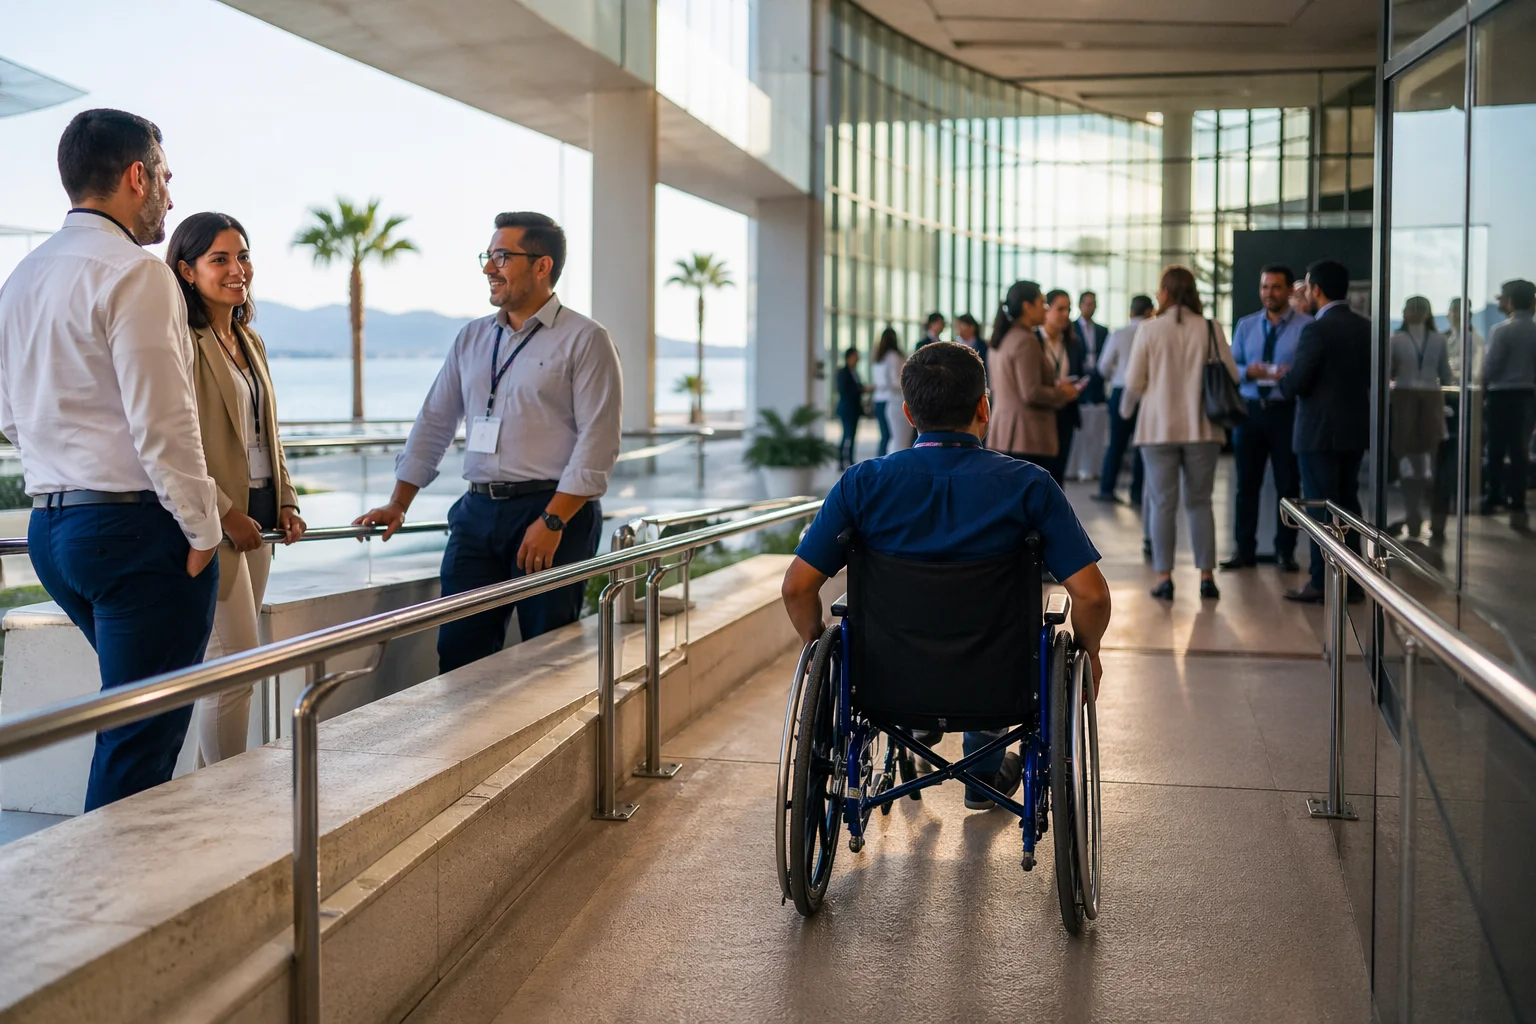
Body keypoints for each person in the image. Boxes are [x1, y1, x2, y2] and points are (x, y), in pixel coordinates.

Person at [779, 341, 1111, 810]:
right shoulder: (1029, 485)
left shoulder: (862, 483)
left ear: (909, 414)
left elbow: (797, 586)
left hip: (883, 683)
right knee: (1001, 641)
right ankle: (983, 770)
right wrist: (1090, 652)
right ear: (984, 406)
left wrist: (817, 650)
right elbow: (1092, 598)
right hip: (1002, 684)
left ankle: (919, 726)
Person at [0, 109, 221, 809]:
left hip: (52, 535)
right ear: (137, 176)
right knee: (140, 740)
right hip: (135, 539)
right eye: (165, 177)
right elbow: (165, 424)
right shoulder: (138, 274)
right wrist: (204, 527)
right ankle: (113, 913)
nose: (170, 197)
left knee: (129, 721)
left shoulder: (23, 276)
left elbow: (8, 416)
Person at [355, 211, 621, 671]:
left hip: (552, 514)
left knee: (547, 658)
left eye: (502, 256)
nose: (488, 268)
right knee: (458, 653)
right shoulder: (473, 337)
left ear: (542, 266)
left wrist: (553, 522)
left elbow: (598, 440)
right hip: (476, 515)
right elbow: (434, 421)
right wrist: (400, 501)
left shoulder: (585, 339)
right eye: (488, 255)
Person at [168, 212, 307, 765]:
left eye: (242, 256)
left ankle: (215, 795)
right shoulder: (182, 338)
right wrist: (225, 512)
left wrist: (288, 500)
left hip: (260, 519)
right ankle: (225, 802)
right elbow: (178, 439)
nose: (236, 269)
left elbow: (268, 435)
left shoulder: (251, 342)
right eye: (219, 259)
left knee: (237, 668)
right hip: (216, 519)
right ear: (186, 269)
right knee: (236, 667)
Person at [1121, 265, 1239, 601]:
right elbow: (1232, 374)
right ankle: (1206, 577)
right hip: (1203, 427)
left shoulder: (1149, 329)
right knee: (1200, 503)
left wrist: (1126, 411)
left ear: (1167, 292)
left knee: (1162, 504)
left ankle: (1164, 578)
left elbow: (1133, 382)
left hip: (1158, 428)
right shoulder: (1210, 327)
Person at [1279, 260, 1372, 604]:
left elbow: (1297, 383)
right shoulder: (1365, 327)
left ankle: (1321, 582)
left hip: (1318, 433)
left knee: (1320, 509)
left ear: (1316, 289)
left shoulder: (1316, 330)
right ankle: (1355, 582)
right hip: (1353, 431)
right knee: (1349, 506)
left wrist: (1284, 378)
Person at [1222, 264, 1310, 572]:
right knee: (1246, 485)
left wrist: (1290, 375)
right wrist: (1250, 371)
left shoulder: (1305, 325)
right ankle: (1243, 550)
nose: (1268, 293)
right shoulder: (1246, 325)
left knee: (1288, 485)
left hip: (1287, 412)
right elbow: (1233, 367)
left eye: (1275, 287)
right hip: (1250, 411)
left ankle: (1285, 552)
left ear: (1288, 291)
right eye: (1264, 287)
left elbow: (1305, 369)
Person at [986, 280, 1081, 479]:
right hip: (1027, 436)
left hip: (1004, 431)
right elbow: (1031, 393)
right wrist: (1063, 393)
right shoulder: (1026, 340)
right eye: (1042, 303)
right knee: (1035, 504)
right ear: (1027, 307)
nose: (1046, 309)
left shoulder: (1002, 338)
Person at [1387, 296, 1453, 540]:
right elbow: (1446, 375)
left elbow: (1388, 373)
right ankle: (1418, 516)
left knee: (1421, 464)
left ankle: (1421, 517)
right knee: (1417, 463)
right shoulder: (1432, 339)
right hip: (1420, 399)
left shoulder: (1407, 340)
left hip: (1414, 399)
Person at [1482, 278, 1536, 522]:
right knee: (1520, 451)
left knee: (1495, 448)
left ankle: (1494, 495)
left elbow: (1491, 367)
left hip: (1500, 396)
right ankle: (1518, 500)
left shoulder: (1501, 331)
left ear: (1511, 301)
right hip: (1527, 396)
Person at [1094, 294, 1152, 504]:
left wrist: (1116, 376)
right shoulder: (1152, 332)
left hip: (1120, 390)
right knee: (1142, 444)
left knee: (1116, 443)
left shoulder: (1118, 334)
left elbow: (1103, 366)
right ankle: (1137, 492)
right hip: (1146, 394)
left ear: (1131, 311)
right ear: (1150, 312)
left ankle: (1107, 488)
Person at [1040, 289, 1087, 485]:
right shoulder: (1033, 340)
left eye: (1068, 309)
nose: (1065, 314)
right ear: (1047, 309)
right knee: (1042, 471)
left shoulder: (1072, 343)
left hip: (1065, 412)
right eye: (1060, 309)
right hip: (1041, 413)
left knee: (1059, 473)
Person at [1067, 290, 1110, 481]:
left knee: (1096, 430)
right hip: (1079, 380)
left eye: (1093, 303)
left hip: (1097, 382)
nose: (1090, 307)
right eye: (1086, 303)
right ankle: (1074, 469)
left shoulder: (1102, 330)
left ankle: (1092, 469)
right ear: (1080, 305)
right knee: (1079, 431)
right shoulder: (1071, 328)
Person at [871, 328, 904, 458]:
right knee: (892, 436)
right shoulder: (894, 356)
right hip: (892, 399)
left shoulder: (878, 357)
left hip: (879, 398)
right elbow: (896, 380)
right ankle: (887, 462)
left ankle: (880, 462)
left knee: (884, 435)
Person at [835, 348, 869, 467]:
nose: (858, 358)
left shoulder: (854, 371)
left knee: (852, 435)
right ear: (850, 357)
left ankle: (849, 459)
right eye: (856, 356)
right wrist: (861, 390)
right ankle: (841, 460)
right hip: (846, 408)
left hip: (854, 409)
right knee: (846, 434)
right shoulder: (843, 372)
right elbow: (844, 389)